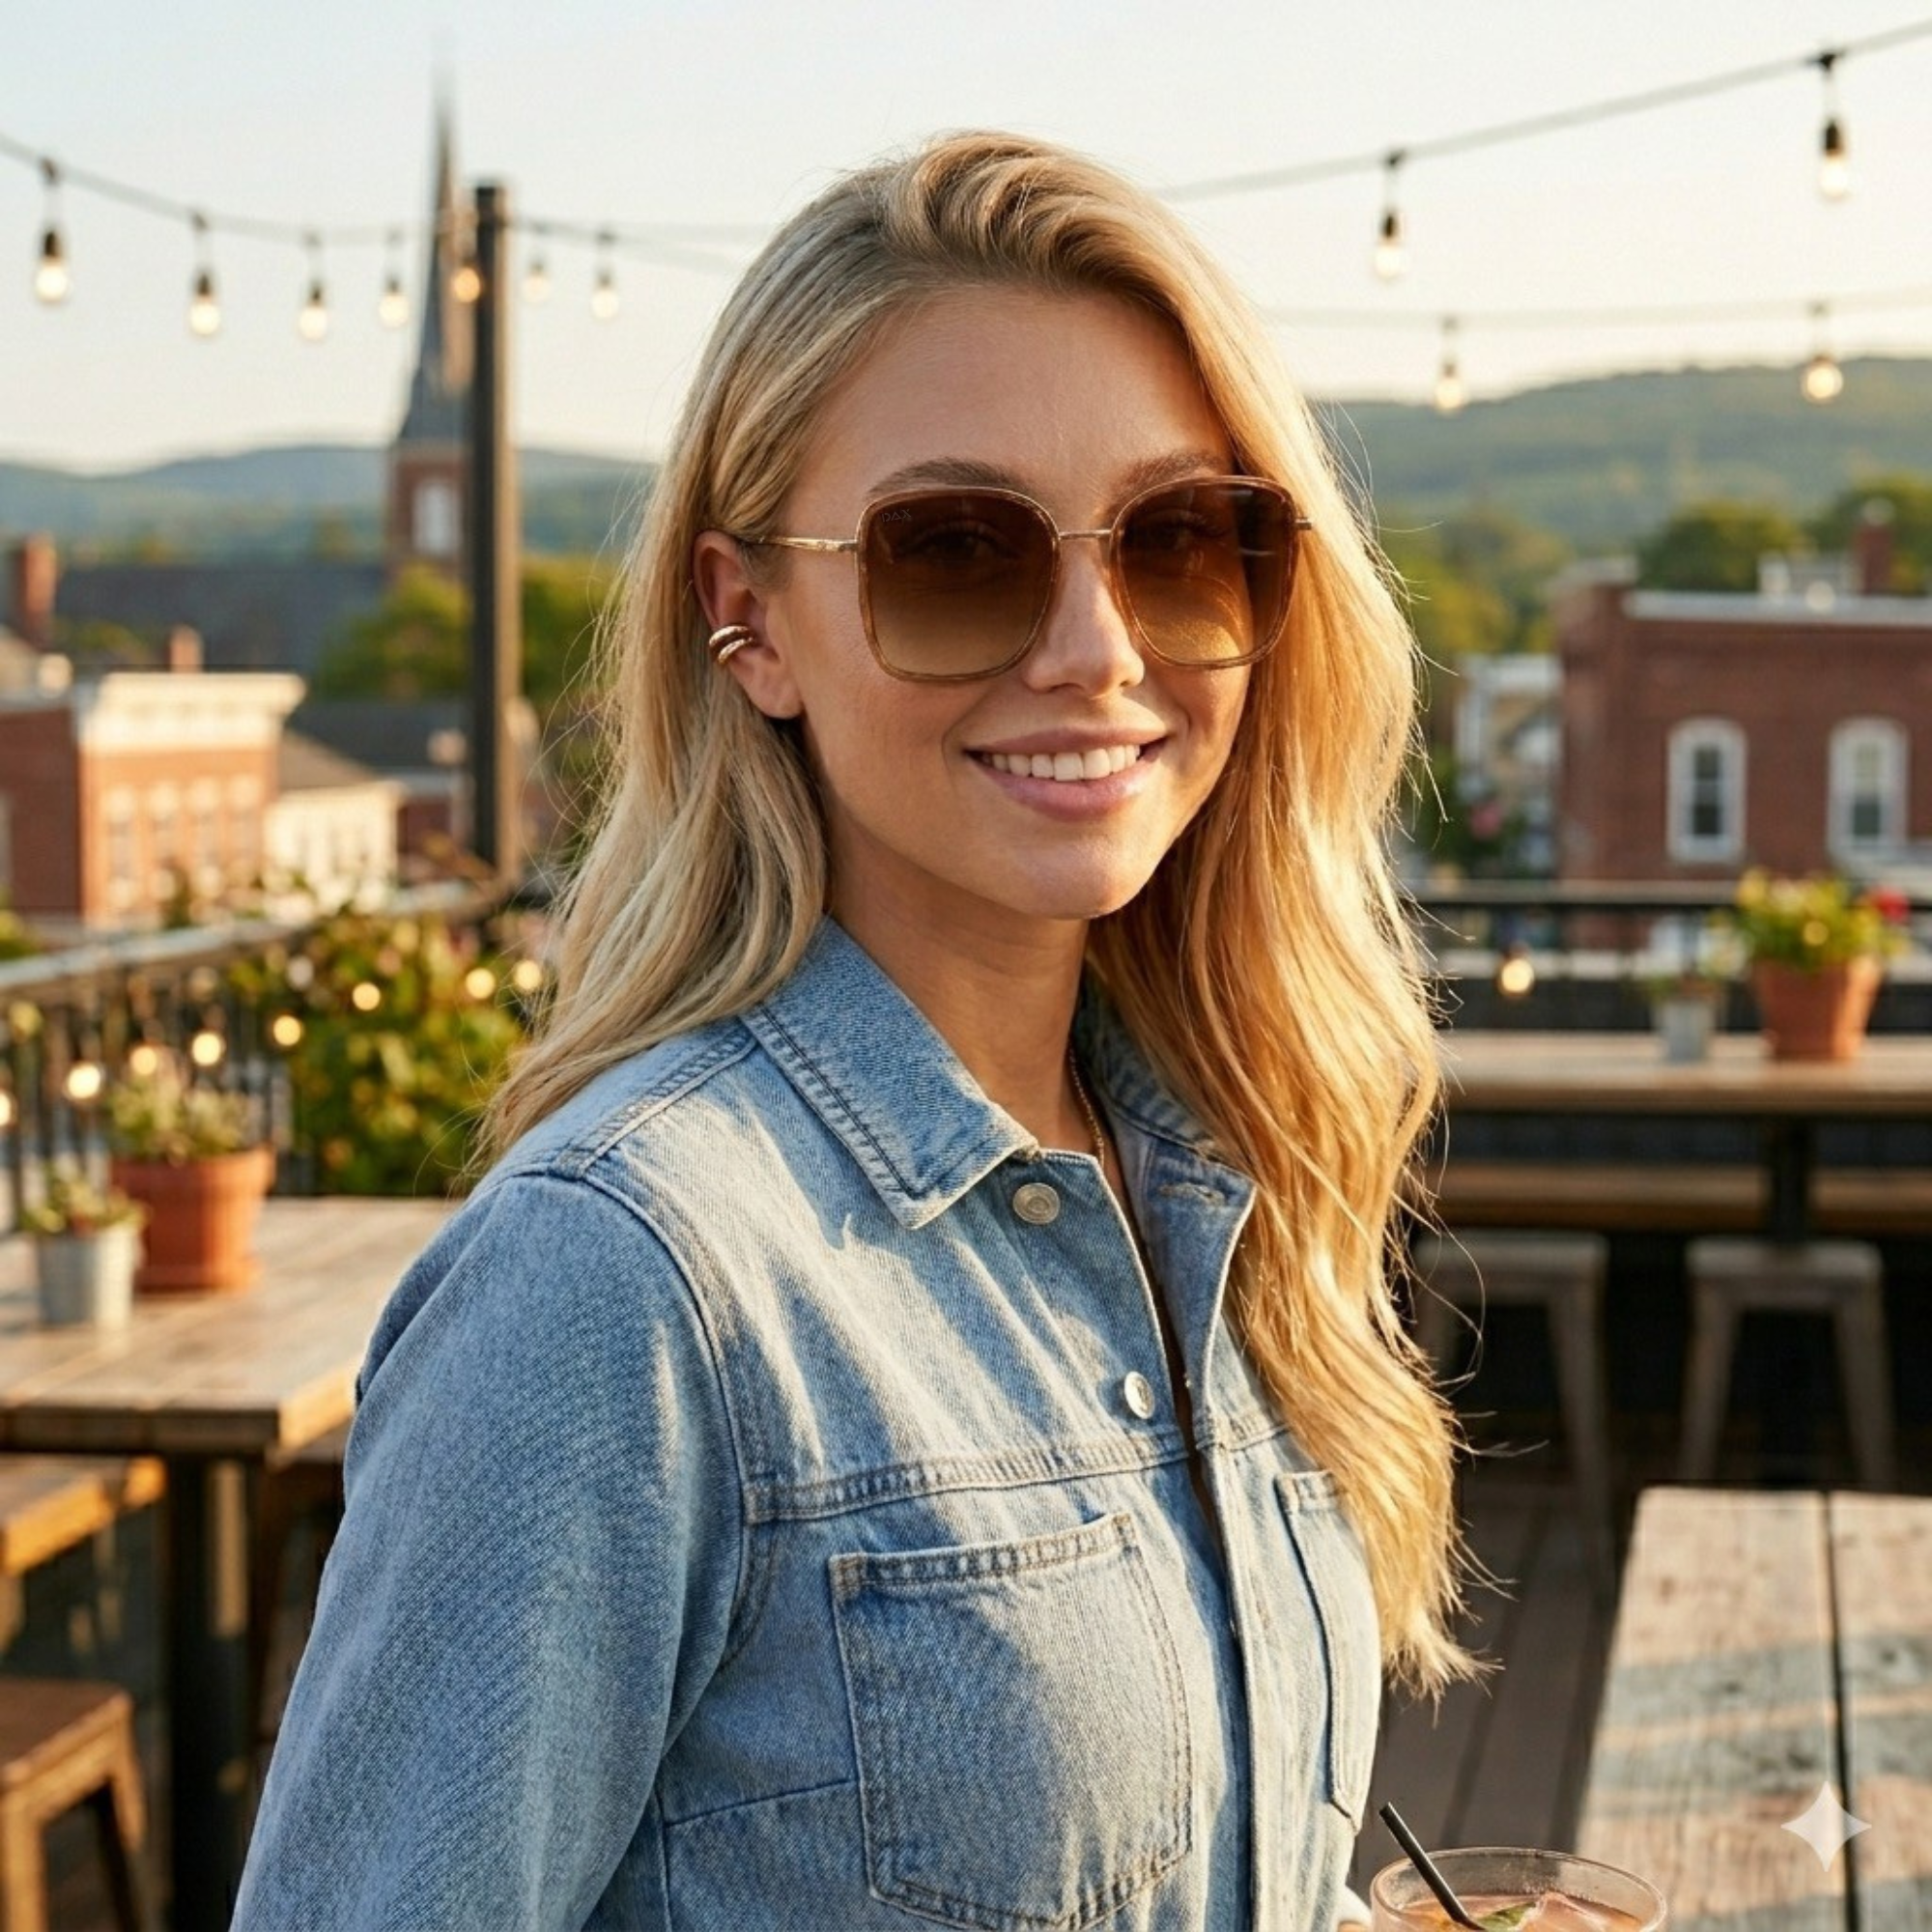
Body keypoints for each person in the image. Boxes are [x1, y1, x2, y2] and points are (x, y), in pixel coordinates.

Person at [235, 129, 1475, 1931]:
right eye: (956, 551)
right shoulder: (620, 1289)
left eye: (1182, 543)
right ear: (750, 623)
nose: (1095, 646)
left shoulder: (1213, 1181)